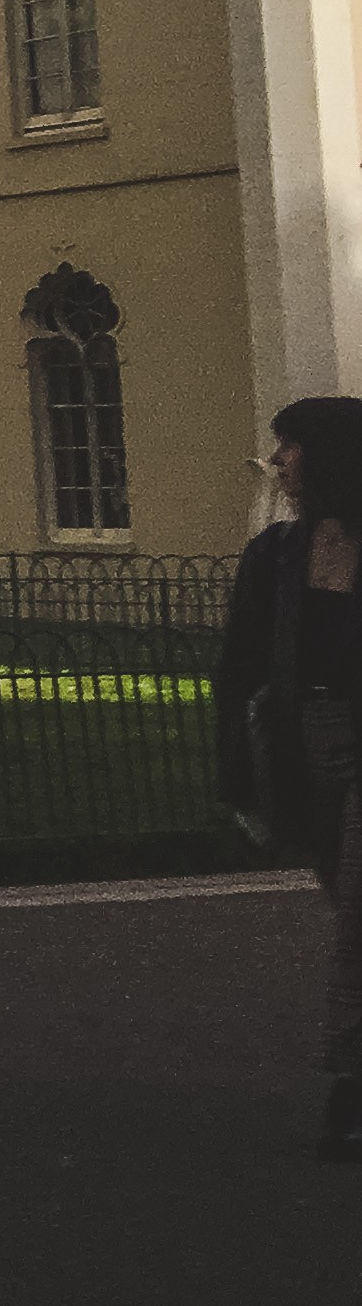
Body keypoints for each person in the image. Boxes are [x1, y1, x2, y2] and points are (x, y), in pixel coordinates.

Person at [215, 396, 362, 1159]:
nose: (278, 463)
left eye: (290, 447)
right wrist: (237, 770)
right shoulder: (277, 552)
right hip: (306, 741)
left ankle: (350, 1082)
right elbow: (241, 663)